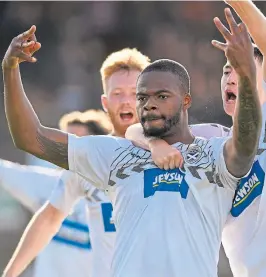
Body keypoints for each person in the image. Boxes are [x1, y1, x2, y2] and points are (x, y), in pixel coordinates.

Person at [1, 9, 261, 276]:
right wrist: (10, 70)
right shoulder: (113, 153)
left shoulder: (212, 154)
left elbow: (246, 143)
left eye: (161, 96)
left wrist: (246, 76)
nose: (149, 104)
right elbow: (31, 138)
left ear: (186, 101)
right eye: (142, 97)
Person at [127, 5, 266, 277]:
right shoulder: (216, 142)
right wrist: (156, 145)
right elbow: (133, 131)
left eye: (240, 68)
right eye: (226, 70)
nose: (230, 77)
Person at [2, 47, 150, 277]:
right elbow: (49, 218)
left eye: (134, 93)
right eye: (118, 93)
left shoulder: (176, 154)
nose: (126, 101)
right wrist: (10, 274)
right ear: (104, 102)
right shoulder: (89, 157)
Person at [0, 109, 111, 277]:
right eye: (66, 140)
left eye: (78, 141)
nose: (69, 149)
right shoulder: (47, 183)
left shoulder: (111, 194)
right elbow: (4, 171)